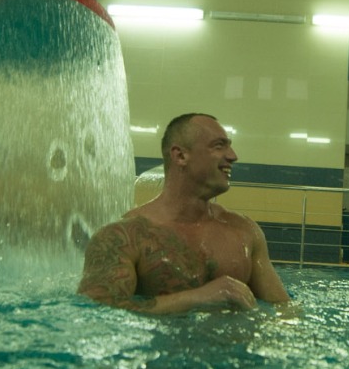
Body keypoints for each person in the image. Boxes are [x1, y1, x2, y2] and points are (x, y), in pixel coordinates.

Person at [78, 112, 290, 313]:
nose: (233, 156)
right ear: (180, 156)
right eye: (219, 146)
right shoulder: (124, 237)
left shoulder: (244, 231)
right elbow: (98, 311)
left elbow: (283, 310)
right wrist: (198, 298)